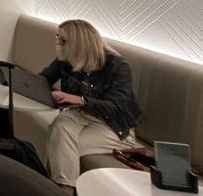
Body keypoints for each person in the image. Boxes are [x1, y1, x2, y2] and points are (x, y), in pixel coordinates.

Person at [41, 19, 143, 195]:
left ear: (79, 43)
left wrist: (80, 100)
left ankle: (60, 189)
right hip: (80, 117)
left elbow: (116, 107)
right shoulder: (66, 58)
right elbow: (44, 79)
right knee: (61, 126)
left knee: (58, 143)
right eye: (58, 37)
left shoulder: (117, 66)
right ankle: (62, 190)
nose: (58, 43)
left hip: (113, 127)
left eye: (63, 40)